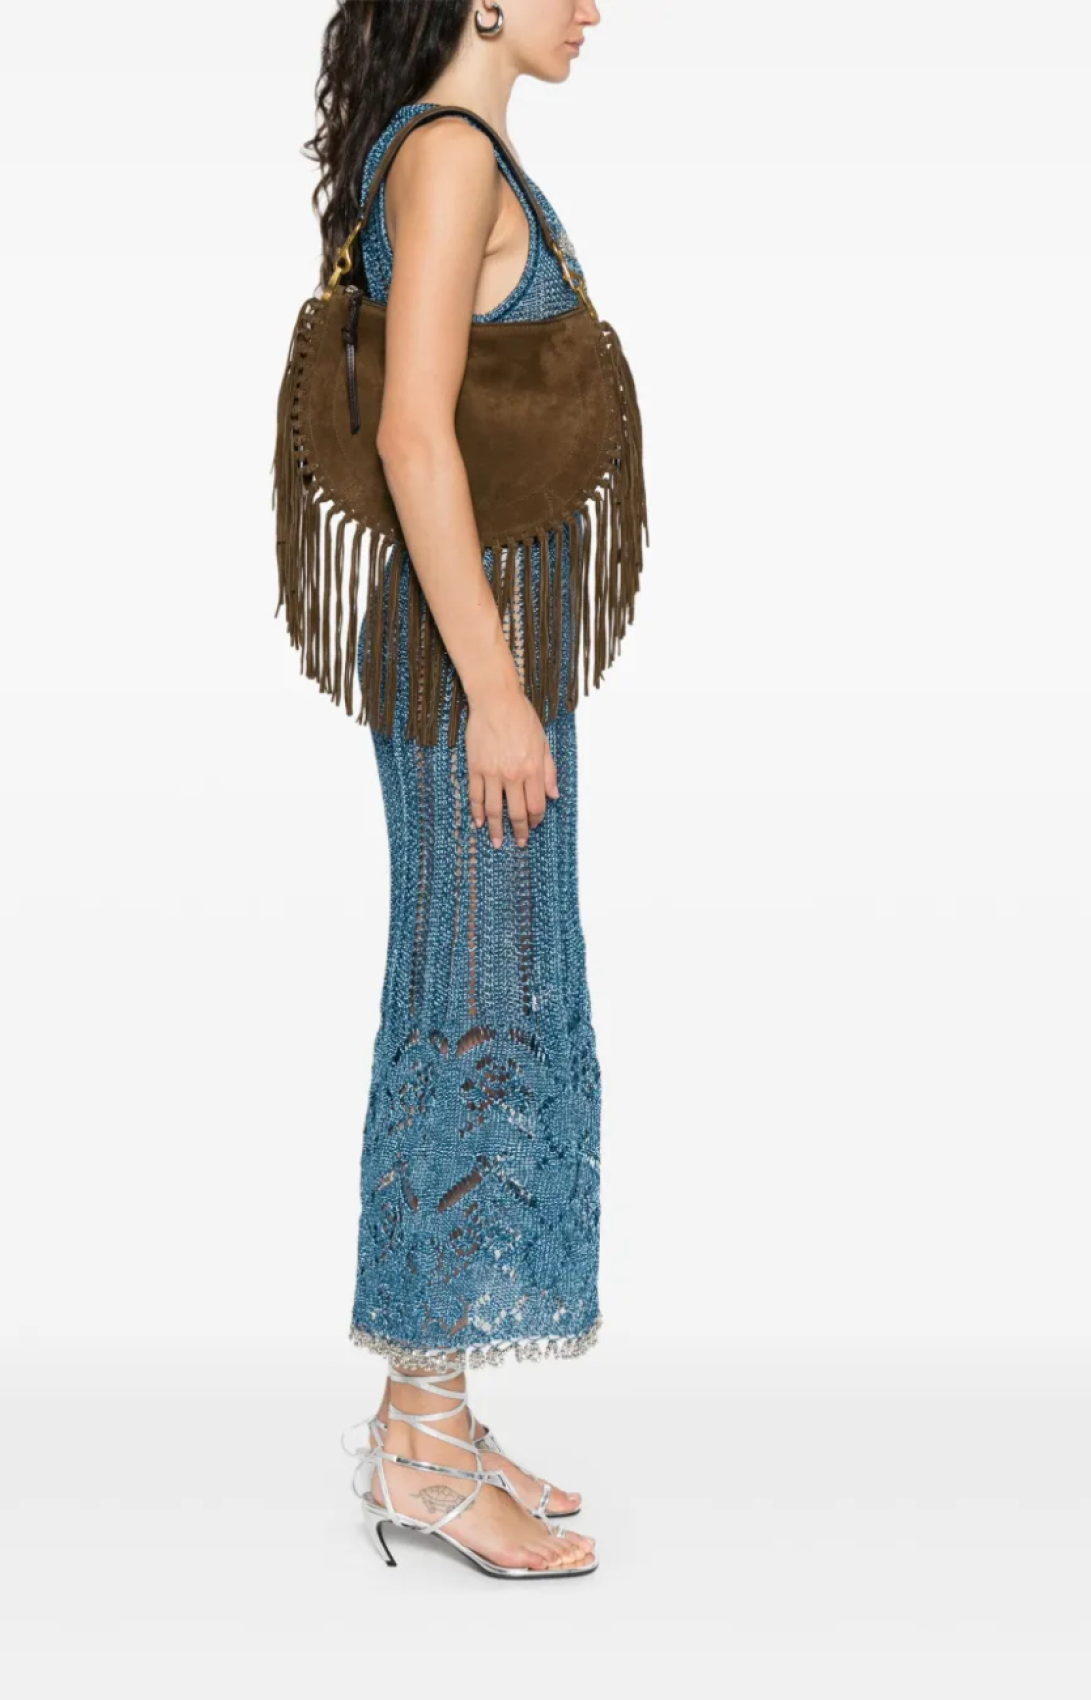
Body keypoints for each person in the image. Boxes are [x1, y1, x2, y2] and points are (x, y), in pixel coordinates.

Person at [305, 0, 609, 1578]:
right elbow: (416, 436)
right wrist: (495, 692)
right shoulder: (448, 158)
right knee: (467, 1008)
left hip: (484, 662)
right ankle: (419, 1444)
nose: (594, 8)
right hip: (463, 674)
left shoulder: (459, 153)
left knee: (490, 996)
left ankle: (436, 1414)